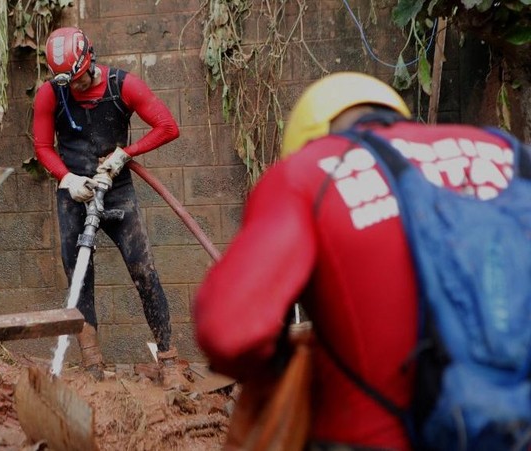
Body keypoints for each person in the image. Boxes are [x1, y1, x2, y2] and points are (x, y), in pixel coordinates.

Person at [193, 72, 522, 449]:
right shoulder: (508, 153)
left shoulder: (309, 170)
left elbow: (228, 331)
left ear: (310, 138)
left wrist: (282, 368)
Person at [33, 26, 188, 389]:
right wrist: (67, 179)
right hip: (75, 193)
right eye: (65, 85)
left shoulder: (124, 85)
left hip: (116, 190)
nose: (73, 89)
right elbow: (42, 146)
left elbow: (168, 126)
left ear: (90, 61)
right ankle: (93, 366)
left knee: (143, 270)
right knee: (79, 277)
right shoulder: (49, 94)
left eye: (78, 81)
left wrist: (125, 155)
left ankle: (168, 359)